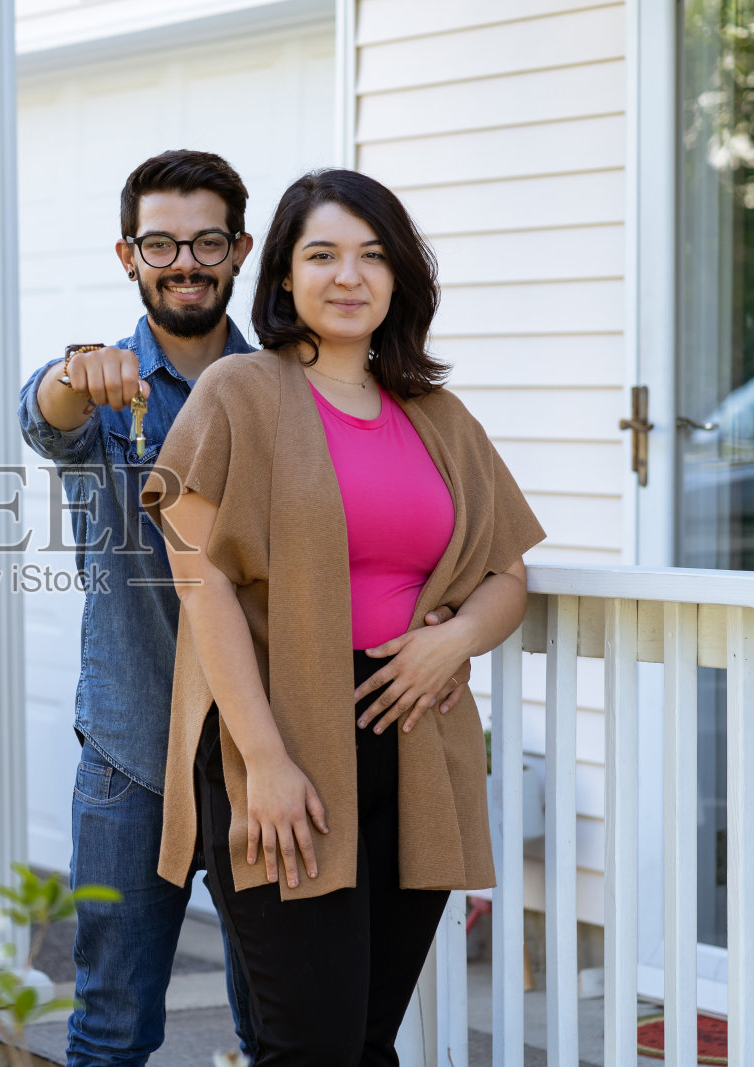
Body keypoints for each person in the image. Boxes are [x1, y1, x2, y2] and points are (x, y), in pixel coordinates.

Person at [18, 152, 473, 1067]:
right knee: (110, 1027)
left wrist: (442, 626)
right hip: (135, 751)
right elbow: (44, 415)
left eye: (207, 240)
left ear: (240, 249)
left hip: (264, 747)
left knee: (272, 1021)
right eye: (160, 243)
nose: (184, 260)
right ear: (128, 254)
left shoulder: (282, 386)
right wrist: (76, 369)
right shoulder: (105, 381)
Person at [142, 168, 546, 1066]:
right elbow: (197, 575)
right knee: (309, 1045)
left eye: (371, 255)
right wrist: (266, 760)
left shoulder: (437, 414)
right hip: (282, 735)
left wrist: (454, 640)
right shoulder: (239, 392)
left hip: (417, 745)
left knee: (365, 1039)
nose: (348, 276)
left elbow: (507, 573)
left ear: (400, 275)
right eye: (321, 254)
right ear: (283, 275)